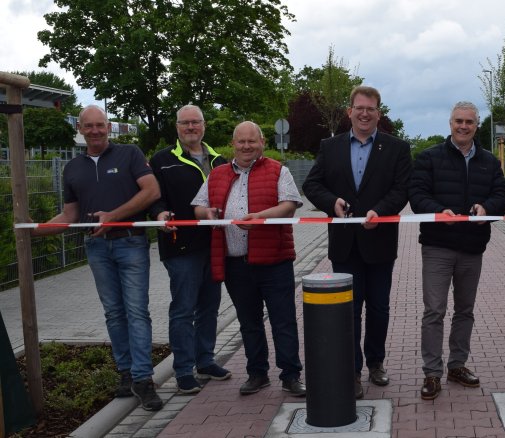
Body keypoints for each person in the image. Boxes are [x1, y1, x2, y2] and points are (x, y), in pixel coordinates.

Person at [32, 105, 163, 411]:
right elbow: (69, 215)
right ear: (79, 128)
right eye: (88, 126)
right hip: (97, 249)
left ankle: (144, 379)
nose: (95, 130)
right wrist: (32, 231)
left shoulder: (129, 154)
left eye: (100, 125)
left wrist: (113, 217)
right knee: (114, 314)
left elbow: (152, 190)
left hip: (130, 244)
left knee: (137, 312)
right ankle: (126, 373)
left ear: (109, 127)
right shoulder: (72, 168)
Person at [303, 85, 411, 399]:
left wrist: (381, 210)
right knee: (348, 310)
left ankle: (376, 363)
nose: (365, 114)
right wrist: (331, 202)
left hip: (379, 242)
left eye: (371, 109)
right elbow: (312, 184)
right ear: (349, 111)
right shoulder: (330, 146)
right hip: (345, 244)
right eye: (359, 108)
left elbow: (401, 189)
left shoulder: (397, 148)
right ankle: (351, 371)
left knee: (378, 309)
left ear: (379, 112)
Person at [192, 121, 305, 397]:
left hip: (274, 261)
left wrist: (263, 217)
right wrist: (206, 215)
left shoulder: (279, 170)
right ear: (233, 144)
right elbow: (198, 206)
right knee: (248, 322)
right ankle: (257, 374)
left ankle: (290, 375)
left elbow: (289, 205)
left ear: (262, 142)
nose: (246, 146)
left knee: (284, 321)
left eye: (251, 141)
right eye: (241, 141)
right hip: (235, 262)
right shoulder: (216, 174)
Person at [408, 101, 505, 400]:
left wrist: (486, 207)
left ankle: (457, 365)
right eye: (458, 121)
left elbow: (501, 194)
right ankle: (431, 373)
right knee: (434, 311)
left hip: (472, 247)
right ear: (449, 123)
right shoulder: (429, 158)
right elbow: (417, 194)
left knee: (465, 311)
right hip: (438, 246)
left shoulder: (489, 162)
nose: (463, 126)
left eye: (469, 122)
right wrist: (440, 211)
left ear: (477, 125)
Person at [149, 105, 231, 394]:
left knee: (209, 307)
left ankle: (205, 361)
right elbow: (154, 199)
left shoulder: (221, 161)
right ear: (177, 127)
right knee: (183, 309)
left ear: (204, 126)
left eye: (195, 122)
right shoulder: (162, 160)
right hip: (181, 245)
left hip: (216, 244)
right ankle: (183, 370)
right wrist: (159, 216)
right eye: (185, 123)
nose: (191, 127)